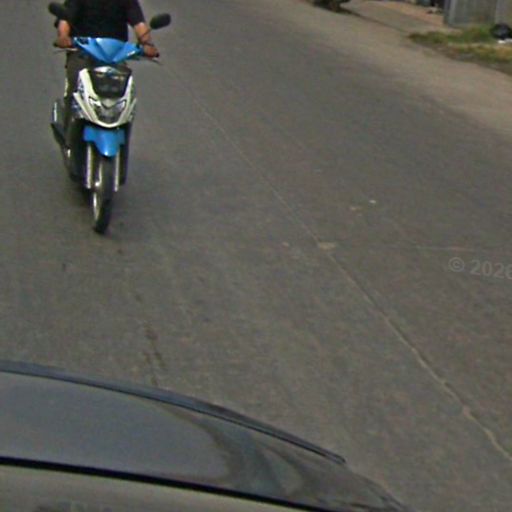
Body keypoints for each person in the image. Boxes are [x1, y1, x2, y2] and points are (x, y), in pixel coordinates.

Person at [54, 0, 160, 142]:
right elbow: (65, 20)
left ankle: (121, 122)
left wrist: (147, 44)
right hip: (83, 51)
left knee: (125, 87)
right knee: (75, 81)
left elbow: (139, 24)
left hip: (114, 56)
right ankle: (68, 128)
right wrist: (63, 36)